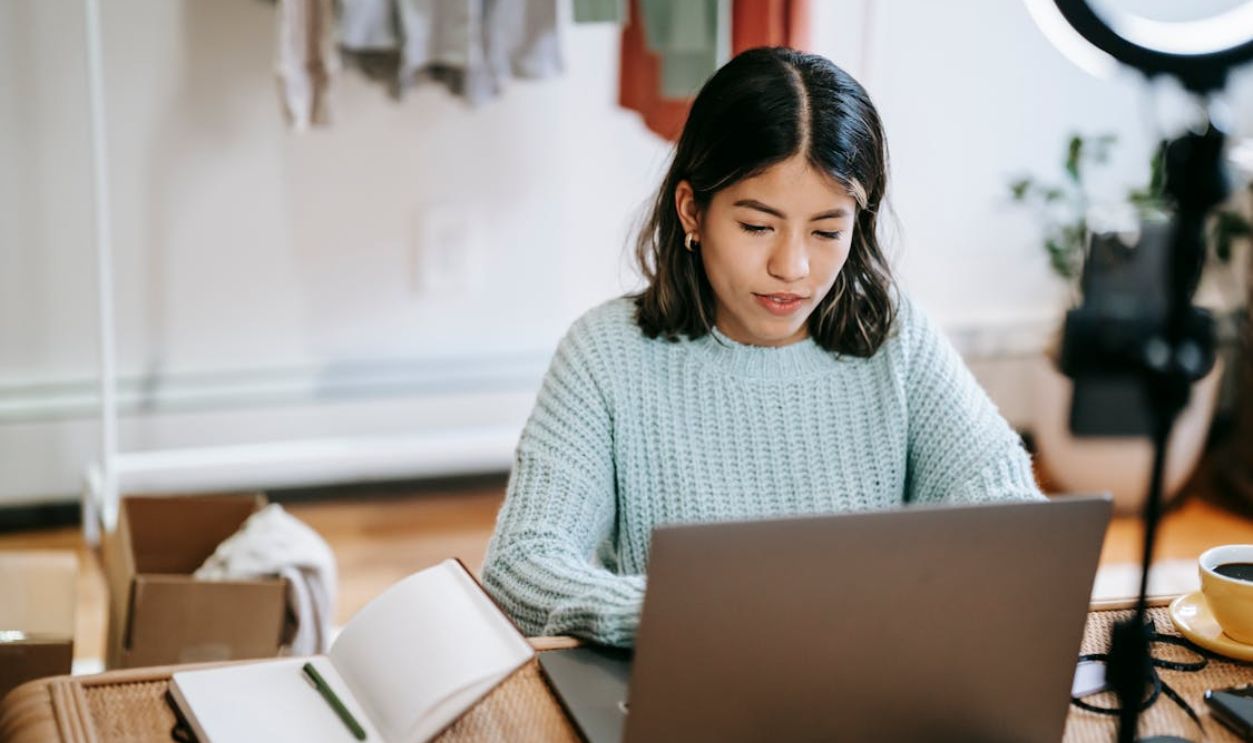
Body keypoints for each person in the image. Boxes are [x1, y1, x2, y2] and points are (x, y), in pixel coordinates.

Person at [481, 47, 1044, 647]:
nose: (793, 266)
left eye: (828, 231)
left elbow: (1014, 523)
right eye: (757, 226)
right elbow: (521, 565)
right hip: (687, 682)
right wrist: (687, 614)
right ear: (692, 211)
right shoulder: (605, 353)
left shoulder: (894, 336)